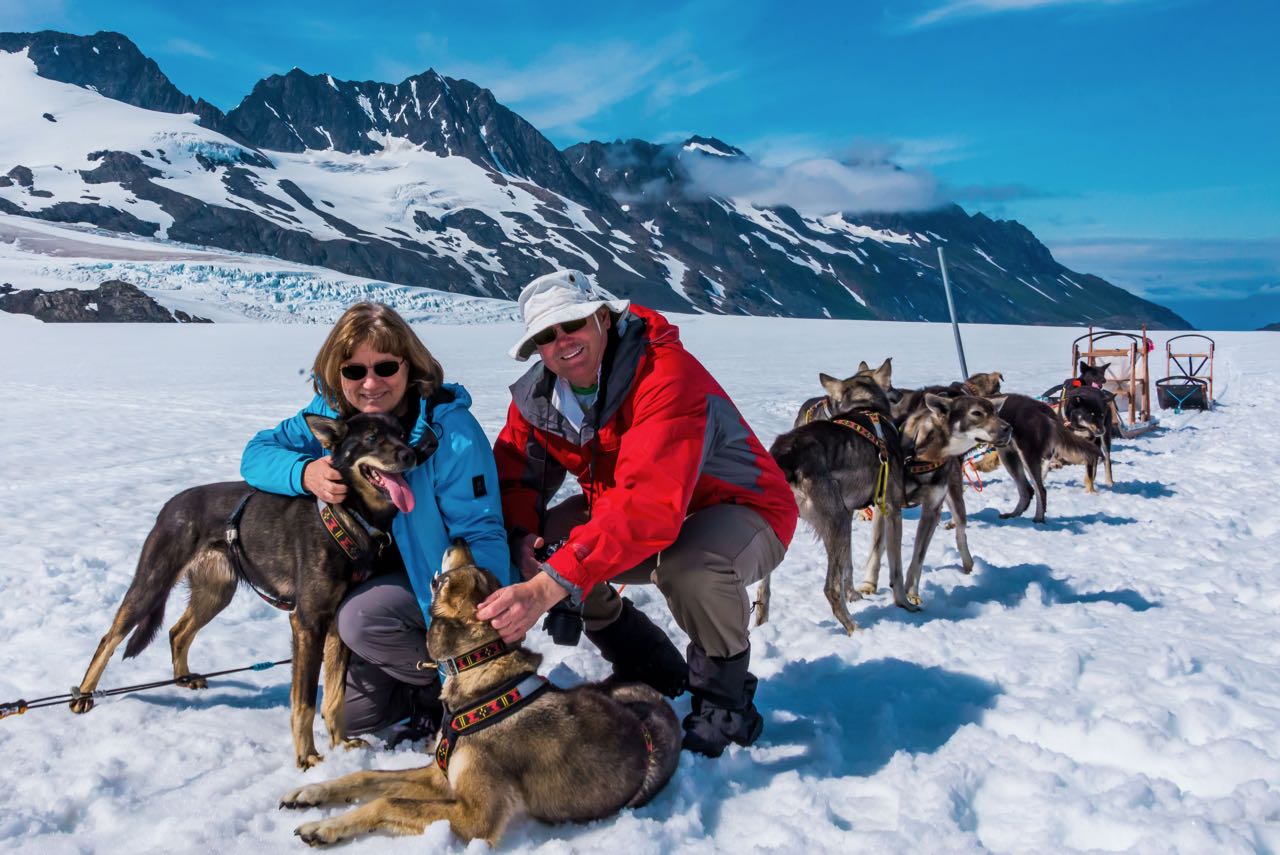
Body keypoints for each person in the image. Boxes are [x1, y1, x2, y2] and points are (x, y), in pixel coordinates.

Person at [478, 270, 798, 757]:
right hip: (638, 511)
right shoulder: (539, 401)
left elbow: (649, 502)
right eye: (547, 336)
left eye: (573, 324)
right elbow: (517, 478)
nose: (562, 342)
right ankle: (647, 663)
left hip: (743, 510)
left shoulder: (664, 373)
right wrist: (524, 536)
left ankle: (724, 703)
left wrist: (550, 586)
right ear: (536, 350)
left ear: (603, 318)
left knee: (690, 567)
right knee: (550, 543)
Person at [241, 302, 509, 742]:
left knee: (360, 620)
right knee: (353, 717)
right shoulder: (333, 415)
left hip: (432, 593)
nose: (369, 383)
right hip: (374, 580)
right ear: (337, 373)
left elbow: (482, 533)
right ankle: (406, 679)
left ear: (409, 365)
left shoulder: (450, 431)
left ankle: (432, 682)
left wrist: (467, 623)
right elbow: (256, 453)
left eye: (385, 367)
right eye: (353, 371)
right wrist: (303, 473)